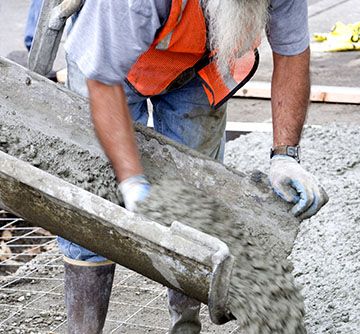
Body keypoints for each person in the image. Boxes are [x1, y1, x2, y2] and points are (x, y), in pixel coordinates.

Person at [59, 0, 329, 333]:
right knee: (92, 198)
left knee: (197, 194)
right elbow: (102, 79)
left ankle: (185, 325)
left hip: (198, 62)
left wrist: (285, 156)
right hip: (111, 51)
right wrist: (131, 182)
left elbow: (292, 52)